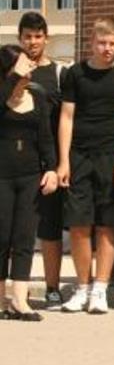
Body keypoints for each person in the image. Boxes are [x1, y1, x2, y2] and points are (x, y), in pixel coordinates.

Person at [57, 18, 114, 314]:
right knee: (80, 225)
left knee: (108, 224)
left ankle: (100, 290)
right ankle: (82, 288)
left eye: (113, 44)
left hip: (111, 158)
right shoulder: (75, 73)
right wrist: (64, 161)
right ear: (92, 42)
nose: (107, 49)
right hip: (79, 157)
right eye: (102, 43)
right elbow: (66, 118)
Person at [0, 45, 58, 321]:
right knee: (1, 237)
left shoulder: (37, 94)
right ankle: (0, 299)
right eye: (21, 65)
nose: (28, 68)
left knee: (24, 238)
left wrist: (53, 169)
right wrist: (12, 80)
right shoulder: (3, 93)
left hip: (30, 176)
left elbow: (46, 138)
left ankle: (20, 301)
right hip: (2, 176)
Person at [17, 12, 67, 309]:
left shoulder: (59, 73)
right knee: (12, 228)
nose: (33, 42)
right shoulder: (10, 69)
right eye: (27, 36)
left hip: (49, 161)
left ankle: (52, 287)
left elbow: (67, 118)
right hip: (16, 160)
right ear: (19, 38)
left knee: (49, 228)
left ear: (46, 38)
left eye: (38, 36)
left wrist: (60, 164)